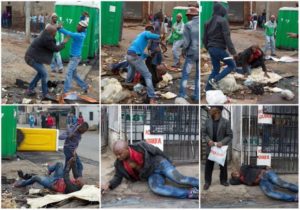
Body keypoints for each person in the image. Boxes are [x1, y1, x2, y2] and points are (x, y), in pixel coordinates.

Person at [101, 141, 199, 199]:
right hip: (151, 174)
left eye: (120, 153)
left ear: (127, 149)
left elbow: (157, 150)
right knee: (156, 188)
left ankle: (199, 184)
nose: (118, 157)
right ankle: (190, 193)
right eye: (116, 154)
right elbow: (117, 177)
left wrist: (169, 161)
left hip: (160, 164)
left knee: (179, 179)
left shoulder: (140, 146)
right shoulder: (119, 164)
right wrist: (108, 185)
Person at [25, 25, 69, 100]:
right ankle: (45, 94)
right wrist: (63, 42)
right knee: (44, 74)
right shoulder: (47, 39)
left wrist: (56, 28)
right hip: (32, 58)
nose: (56, 33)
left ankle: (29, 89)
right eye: (55, 32)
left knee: (40, 74)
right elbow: (56, 49)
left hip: (34, 57)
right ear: (52, 33)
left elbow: (49, 28)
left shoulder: (44, 33)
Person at [203, 3, 237, 91]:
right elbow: (227, 37)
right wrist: (233, 52)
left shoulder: (207, 22)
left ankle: (208, 89)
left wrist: (209, 48)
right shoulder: (223, 21)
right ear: (221, 11)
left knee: (216, 68)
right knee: (231, 65)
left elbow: (204, 39)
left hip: (211, 48)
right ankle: (215, 80)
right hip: (219, 48)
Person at [126, 24, 161, 104]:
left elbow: (140, 53)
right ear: (151, 31)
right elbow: (150, 35)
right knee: (148, 75)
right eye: (152, 32)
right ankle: (152, 97)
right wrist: (159, 36)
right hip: (134, 56)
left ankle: (127, 83)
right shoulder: (146, 33)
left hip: (129, 55)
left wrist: (148, 55)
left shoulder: (138, 37)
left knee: (132, 68)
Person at [202, 106, 233, 190]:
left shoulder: (225, 122)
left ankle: (223, 180)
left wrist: (222, 142)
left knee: (223, 165)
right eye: (211, 111)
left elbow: (230, 135)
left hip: (221, 148)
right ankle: (207, 182)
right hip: (210, 147)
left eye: (213, 111)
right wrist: (208, 141)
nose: (211, 112)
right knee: (208, 166)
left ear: (218, 112)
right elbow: (204, 134)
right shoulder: (207, 121)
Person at [14, 157, 84, 194]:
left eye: (78, 180)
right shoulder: (77, 182)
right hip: (59, 178)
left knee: (36, 178)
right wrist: (73, 162)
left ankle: (22, 184)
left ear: (77, 184)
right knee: (59, 164)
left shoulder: (72, 188)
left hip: (52, 184)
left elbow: (66, 176)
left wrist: (69, 164)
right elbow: (75, 171)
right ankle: (49, 170)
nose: (77, 179)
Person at [230, 165, 298, 202]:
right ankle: (294, 198)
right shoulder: (243, 181)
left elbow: (255, 166)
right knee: (269, 193)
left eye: (235, 173)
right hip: (262, 181)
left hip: (266, 173)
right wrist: (233, 178)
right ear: (236, 178)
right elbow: (231, 182)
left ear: (237, 171)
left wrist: (265, 167)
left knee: (281, 183)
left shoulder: (243, 168)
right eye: (234, 176)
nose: (236, 174)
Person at [58, 20, 89, 95]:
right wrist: (83, 18)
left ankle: (65, 92)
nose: (77, 26)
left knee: (68, 73)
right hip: (74, 57)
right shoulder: (84, 33)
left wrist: (60, 29)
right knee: (74, 75)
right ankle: (85, 86)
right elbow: (85, 27)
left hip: (75, 58)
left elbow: (69, 33)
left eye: (79, 26)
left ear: (82, 28)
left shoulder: (79, 35)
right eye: (78, 25)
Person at [178, 7, 199, 101]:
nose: (187, 17)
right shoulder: (201, 23)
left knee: (186, 74)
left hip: (191, 53)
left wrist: (183, 50)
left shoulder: (188, 25)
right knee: (198, 75)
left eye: (187, 15)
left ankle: (182, 94)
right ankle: (197, 96)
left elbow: (186, 42)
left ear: (191, 15)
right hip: (199, 52)